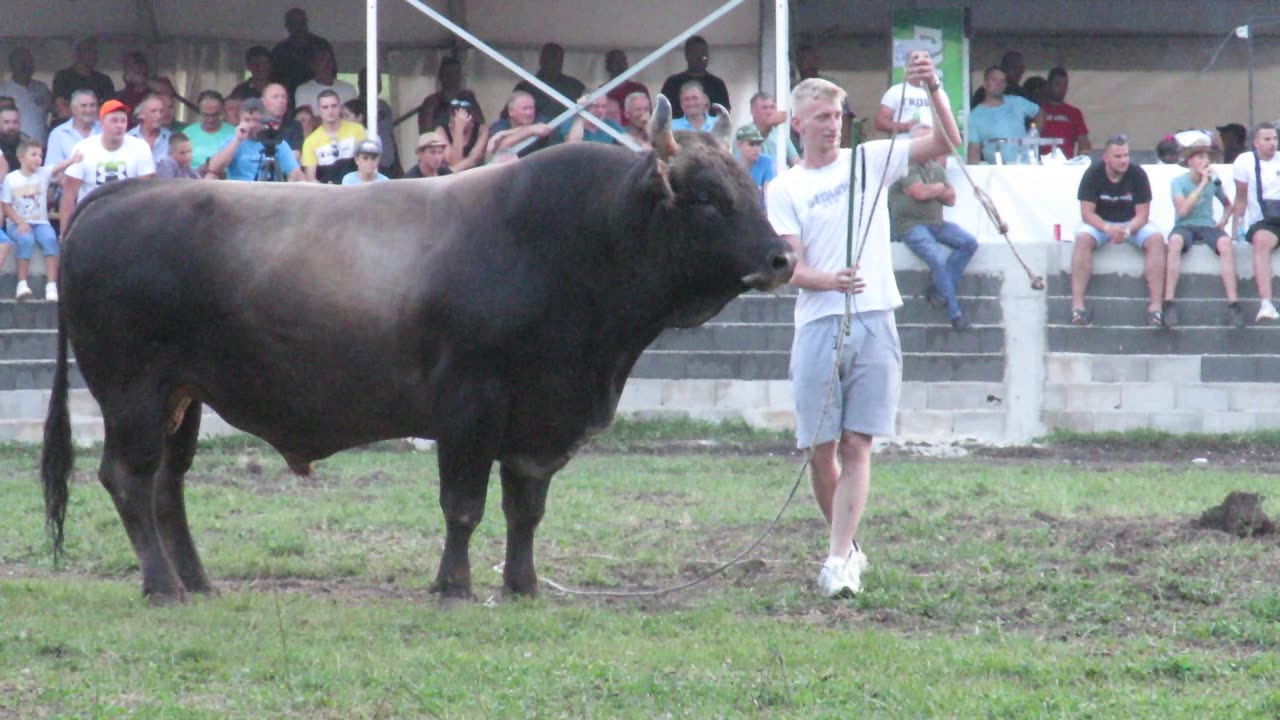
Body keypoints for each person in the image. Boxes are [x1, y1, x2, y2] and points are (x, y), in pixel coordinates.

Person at [765, 52, 961, 599]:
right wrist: (827, 281)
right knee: (819, 449)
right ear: (799, 124)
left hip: (875, 318)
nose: (833, 124)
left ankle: (836, 560)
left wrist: (934, 87)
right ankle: (847, 548)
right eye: (822, 116)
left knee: (858, 443)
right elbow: (788, 267)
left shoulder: (872, 159)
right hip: (820, 323)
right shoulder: (784, 189)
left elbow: (946, 143)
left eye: (838, 115)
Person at [889, 123, 978, 330]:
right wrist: (938, 188)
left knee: (969, 243)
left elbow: (951, 198)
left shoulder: (935, 168)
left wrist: (934, 190)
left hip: (936, 223)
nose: (931, 147)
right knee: (937, 258)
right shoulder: (904, 165)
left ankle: (939, 290)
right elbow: (919, 193)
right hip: (910, 225)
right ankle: (955, 314)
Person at [1070, 135, 1166, 326]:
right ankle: (1077, 306)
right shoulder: (1093, 173)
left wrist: (1127, 230)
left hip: (1131, 222)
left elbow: (1143, 214)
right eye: (1118, 156)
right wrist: (1106, 228)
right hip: (1101, 222)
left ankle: (1156, 307)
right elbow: (1087, 213)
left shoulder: (1137, 173)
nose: (1124, 160)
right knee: (1082, 240)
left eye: (1126, 155)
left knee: (1156, 239)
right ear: (1106, 157)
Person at [1165, 137, 1241, 328]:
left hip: (1207, 225)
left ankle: (1234, 304)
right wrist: (1201, 185)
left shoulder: (1213, 183)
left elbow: (1228, 205)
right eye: (1200, 157)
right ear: (1190, 161)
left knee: (1225, 244)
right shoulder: (1178, 182)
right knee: (1175, 241)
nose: (1205, 161)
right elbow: (1182, 210)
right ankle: (1169, 301)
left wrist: (1223, 222)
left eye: (1207, 157)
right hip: (1185, 225)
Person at [60, 99, 156, 228]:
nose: (120, 125)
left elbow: (146, 190)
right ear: (101, 124)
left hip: (128, 215)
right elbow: (69, 194)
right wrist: (65, 231)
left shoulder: (140, 147)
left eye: (123, 121)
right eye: (114, 121)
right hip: (91, 215)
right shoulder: (83, 148)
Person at [2, 139, 78, 301]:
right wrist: (20, 222)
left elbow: (58, 167)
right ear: (21, 157)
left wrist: (72, 160)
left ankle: (51, 285)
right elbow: (6, 206)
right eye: (34, 154)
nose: (38, 158)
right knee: (25, 240)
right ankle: (22, 283)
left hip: (40, 222)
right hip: (17, 223)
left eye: (40, 155)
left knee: (50, 239)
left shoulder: (43, 173)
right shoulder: (11, 179)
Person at [1231, 122, 1280, 322]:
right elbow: (1240, 197)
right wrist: (1236, 228)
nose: (1272, 144)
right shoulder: (1245, 162)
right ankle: (1266, 303)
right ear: (1256, 143)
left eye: (1275, 139)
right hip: (1263, 221)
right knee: (1260, 241)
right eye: (1267, 139)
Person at [207, 97, 303, 182]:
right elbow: (214, 168)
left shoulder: (276, 143)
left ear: (264, 120)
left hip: (269, 193)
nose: (251, 125)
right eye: (247, 120)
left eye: (256, 120)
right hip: (238, 193)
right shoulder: (231, 141)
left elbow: (296, 175)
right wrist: (237, 140)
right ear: (240, 119)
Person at [966, 66, 1043, 164]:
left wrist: (1034, 134)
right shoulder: (975, 115)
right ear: (985, 84)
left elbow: (1040, 113)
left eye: (1002, 81)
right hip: (997, 172)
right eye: (994, 80)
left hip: (1025, 167)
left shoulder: (1017, 102)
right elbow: (974, 151)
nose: (999, 84)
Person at [301, 90, 366, 184]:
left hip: (355, 189)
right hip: (328, 192)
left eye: (334, 106)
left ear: (340, 107)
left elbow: (367, 164)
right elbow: (311, 179)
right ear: (319, 110)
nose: (330, 111)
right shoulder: (310, 141)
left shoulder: (357, 130)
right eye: (325, 107)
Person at [660, 36, 731, 119]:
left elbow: (724, 114)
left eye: (704, 53)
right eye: (695, 53)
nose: (701, 57)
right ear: (687, 55)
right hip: (678, 130)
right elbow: (662, 114)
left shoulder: (718, 85)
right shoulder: (672, 83)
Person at [513, 43, 585, 120]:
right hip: (533, 130)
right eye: (550, 59)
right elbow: (510, 116)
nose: (554, 64)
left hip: (568, 130)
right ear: (541, 61)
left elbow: (586, 112)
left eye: (558, 60)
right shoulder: (525, 88)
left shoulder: (574, 86)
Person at [271, 8, 331, 97]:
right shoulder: (280, 50)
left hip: (318, 97)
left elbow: (331, 73)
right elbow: (274, 79)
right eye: (295, 22)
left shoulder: (321, 45)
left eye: (302, 22)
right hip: (289, 100)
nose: (300, 26)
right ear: (287, 26)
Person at [52, 38, 115, 122]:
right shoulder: (63, 77)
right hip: (67, 130)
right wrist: (92, 114)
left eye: (95, 52)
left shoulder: (104, 80)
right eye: (88, 51)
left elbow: (110, 111)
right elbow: (63, 111)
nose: (93, 55)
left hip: (97, 131)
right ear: (78, 54)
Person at [0, 48, 52, 145]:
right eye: (21, 62)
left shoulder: (42, 89)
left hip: (40, 147)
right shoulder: (3, 90)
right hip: (13, 148)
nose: (25, 66)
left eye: (29, 62)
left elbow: (56, 111)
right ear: (12, 65)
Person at [1038, 68, 1091, 159]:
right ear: (1049, 85)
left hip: (1066, 167)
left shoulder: (1074, 113)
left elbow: (1084, 143)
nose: (1062, 89)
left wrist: (1080, 162)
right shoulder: (1038, 110)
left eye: (1065, 85)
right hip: (1040, 166)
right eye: (1058, 84)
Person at [487, 90, 556, 159]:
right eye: (524, 108)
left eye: (531, 108)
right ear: (510, 111)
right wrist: (529, 130)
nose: (529, 113)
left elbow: (543, 128)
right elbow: (499, 147)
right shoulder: (500, 125)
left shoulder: (540, 118)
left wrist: (504, 133)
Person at [44, 89, 100, 170]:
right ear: (73, 109)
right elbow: (51, 169)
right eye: (83, 106)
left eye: (92, 105)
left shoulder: (105, 128)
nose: (88, 110)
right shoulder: (58, 134)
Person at [293, 45, 357, 114]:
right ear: (313, 64)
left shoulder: (348, 89)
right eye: (322, 60)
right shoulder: (303, 90)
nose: (326, 64)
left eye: (329, 60)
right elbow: (306, 120)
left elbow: (355, 117)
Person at [183, 90, 235, 171]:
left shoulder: (234, 133)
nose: (210, 120)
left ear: (222, 110)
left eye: (215, 114)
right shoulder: (187, 134)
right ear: (199, 111)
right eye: (206, 115)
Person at [439, 90, 487, 172]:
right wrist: (459, 129)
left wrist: (449, 172)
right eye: (454, 115)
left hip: (472, 176)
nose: (457, 120)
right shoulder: (441, 131)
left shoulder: (482, 130)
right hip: (448, 179)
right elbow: (453, 161)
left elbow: (473, 160)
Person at [746, 92, 799, 167]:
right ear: (753, 111)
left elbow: (796, 161)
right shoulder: (744, 132)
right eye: (764, 108)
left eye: (772, 107)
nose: (769, 112)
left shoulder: (780, 134)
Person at [416, 57, 464, 135]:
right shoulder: (431, 102)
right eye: (448, 74)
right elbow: (425, 132)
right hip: (439, 144)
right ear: (441, 76)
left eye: (456, 73)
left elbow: (480, 125)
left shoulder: (468, 99)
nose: (452, 77)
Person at [126, 93, 172, 164]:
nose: (158, 116)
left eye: (161, 111)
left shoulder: (172, 139)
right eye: (153, 111)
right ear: (141, 115)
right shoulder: (128, 139)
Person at [735, 124, 775, 200]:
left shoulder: (766, 161)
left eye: (758, 144)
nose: (756, 149)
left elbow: (768, 193)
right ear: (739, 145)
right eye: (751, 144)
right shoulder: (731, 165)